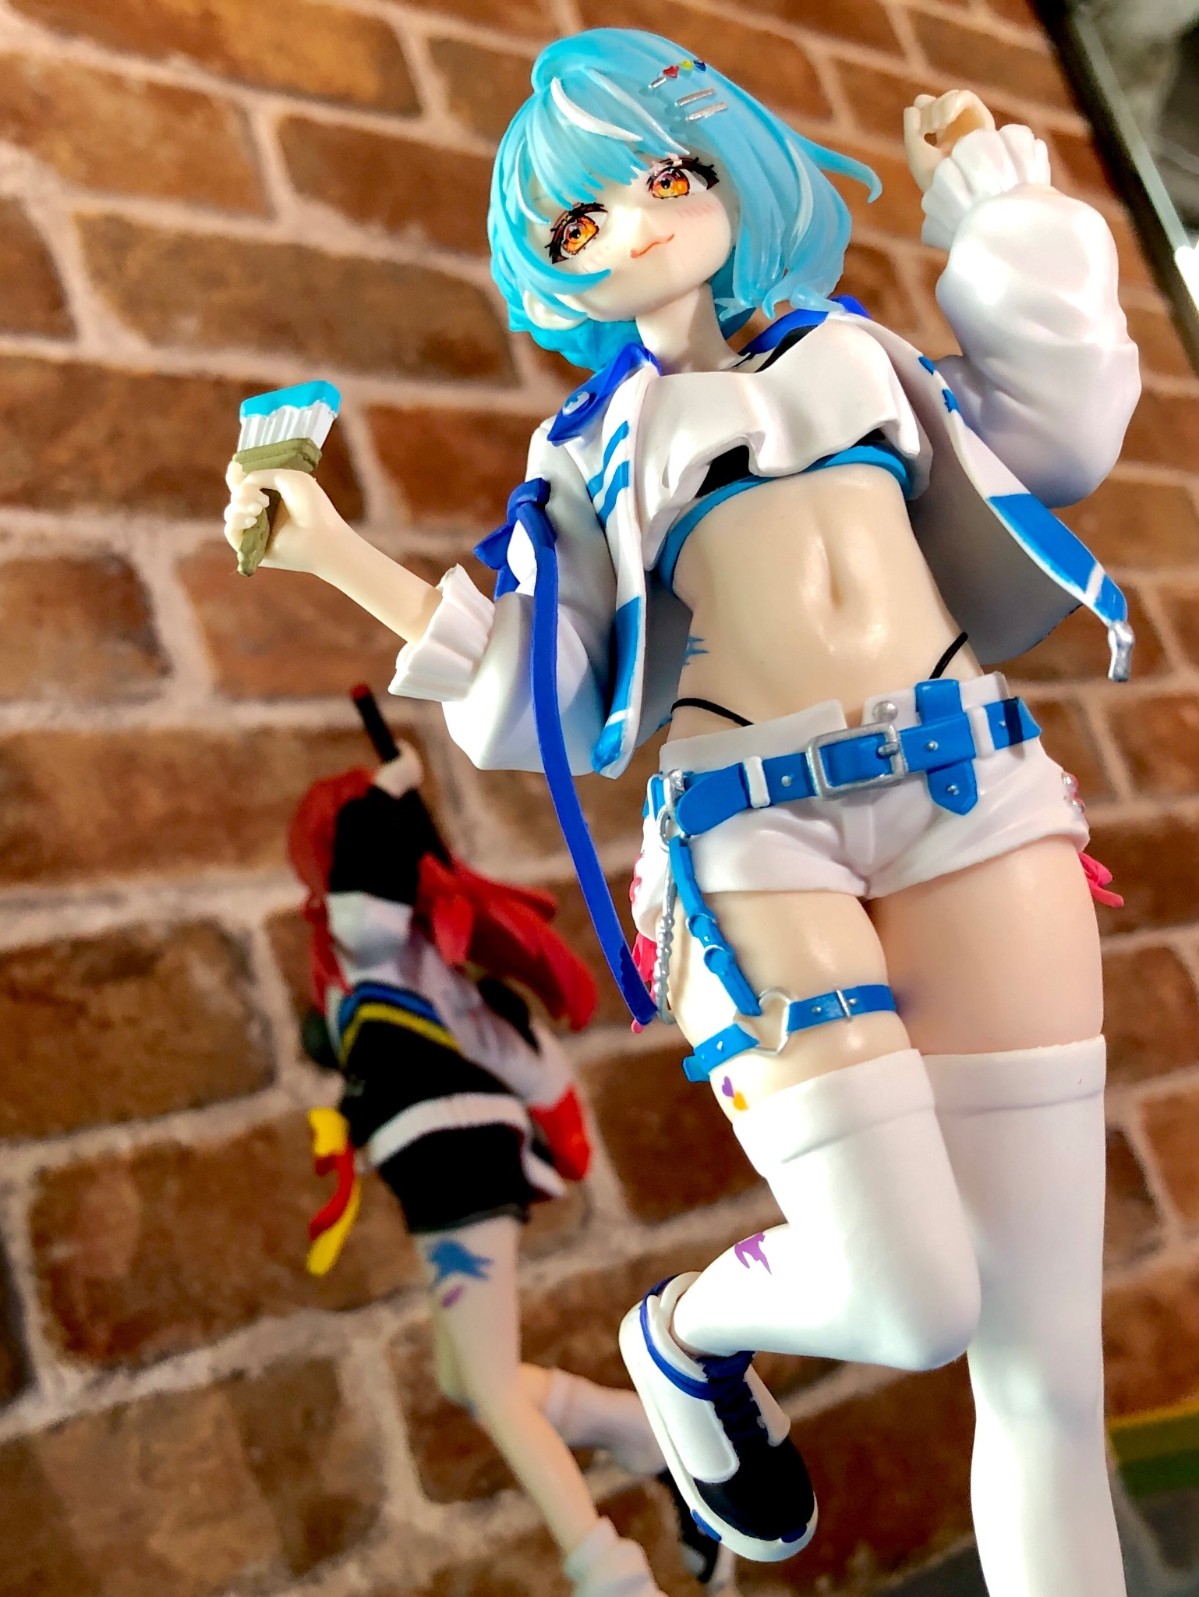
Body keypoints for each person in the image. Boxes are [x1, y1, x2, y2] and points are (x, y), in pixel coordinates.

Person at [226, 29, 1141, 1596]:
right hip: (756, 838)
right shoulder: (587, 448)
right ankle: (683, 1338)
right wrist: (330, 553)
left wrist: (997, 215)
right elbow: (541, 694)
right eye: (579, 222)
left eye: (659, 177)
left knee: (1045, 1368)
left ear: (725, 162)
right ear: (550, 265)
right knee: (911, 1301)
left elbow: (1056, 434)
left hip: (967, 788)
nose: (635, 229)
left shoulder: (859, 353)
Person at [292, 734, 736, 1596]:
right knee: (465, 1376)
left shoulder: (380, 945)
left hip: (453, 1153)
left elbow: (368, 904)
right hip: (441, 1157)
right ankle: (643, 1435)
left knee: (492, 1389)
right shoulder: (403, 971)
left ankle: (609, 1571)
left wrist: (387, 790)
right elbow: (527, 1063)